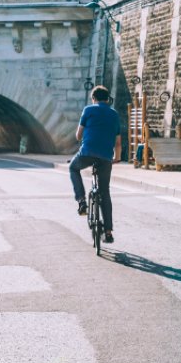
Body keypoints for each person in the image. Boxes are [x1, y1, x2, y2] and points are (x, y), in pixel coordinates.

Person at [69, 85, 121, 244]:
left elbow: (78, 136)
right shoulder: (114, 114)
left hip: (87, 153)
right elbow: (118, 143)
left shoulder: (88, 110)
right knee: (105, 192)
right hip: (106, 157)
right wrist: (116, 158)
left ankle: (82, 201)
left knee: (73, 167)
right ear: (107, 99)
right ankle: (109, 231)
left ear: (94, 99)